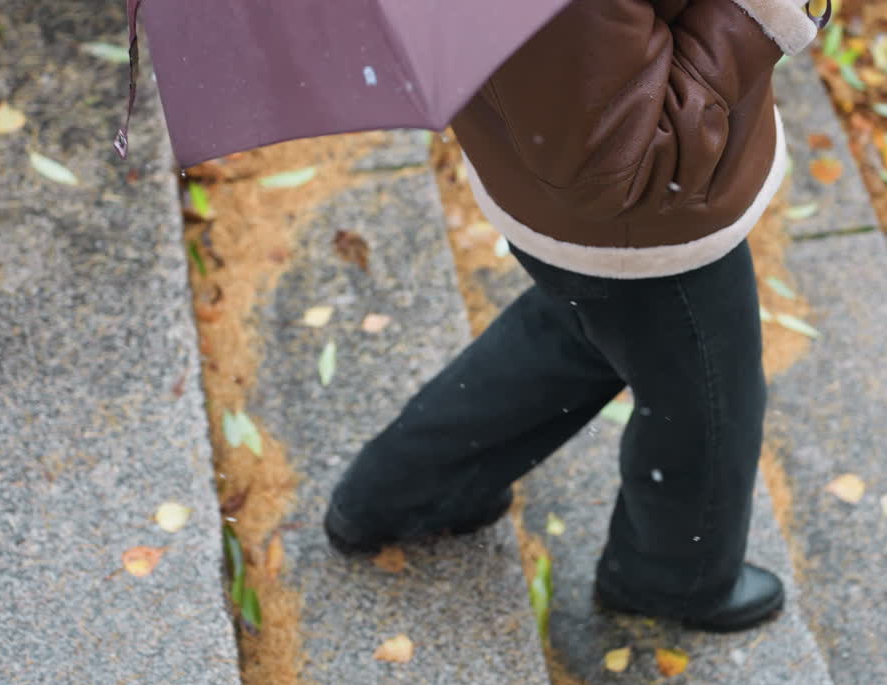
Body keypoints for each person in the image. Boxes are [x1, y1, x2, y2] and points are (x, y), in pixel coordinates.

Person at [325, 0, 825, 633]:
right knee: (709, 398)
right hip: (647, 223)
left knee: (586, 328)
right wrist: (761, 16)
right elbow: (626, 154)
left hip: (560, 188)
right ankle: (672, 580)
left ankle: (405, 492)